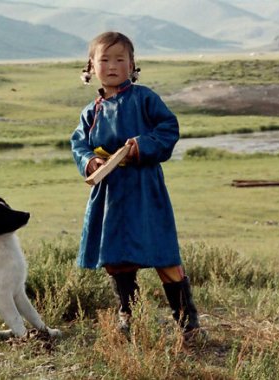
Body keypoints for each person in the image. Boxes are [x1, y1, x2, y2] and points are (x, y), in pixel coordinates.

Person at [70, 31, 201, 335]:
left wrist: (141, 145)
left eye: (120, 59)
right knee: (116, 257)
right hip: (110, 192)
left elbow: (168, 128)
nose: (112, 65)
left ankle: (187, 323)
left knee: (163, 253)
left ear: (132, 65)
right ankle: (130, 317)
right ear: (91, 66)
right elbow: (78, 144)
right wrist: (90, 160)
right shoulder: (91, 111)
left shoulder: (145, 98)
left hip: (144, 187)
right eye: (104, 59)